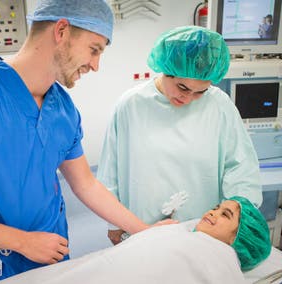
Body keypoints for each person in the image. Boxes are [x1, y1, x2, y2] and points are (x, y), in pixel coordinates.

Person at [0, 0, 175, 282]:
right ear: (61, 30)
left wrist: (144, 230)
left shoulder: (62, 108)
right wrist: (22, 242)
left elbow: (85, 183)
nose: (96, 66)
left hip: (52, 255)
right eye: (94, 50)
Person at [96, 26, 263, 245]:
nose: (188, 98)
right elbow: (110, 170)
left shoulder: (219, 105)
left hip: (202, 231)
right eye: (182, 87)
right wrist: (115, 224)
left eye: (200, 92)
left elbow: (240, 167)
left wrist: (236, 223)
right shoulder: (132, 105)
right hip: (140, 226)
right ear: (165, 69)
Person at [0, 196, 272, 283]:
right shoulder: (182, 233)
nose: (212, 212)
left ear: (240, 237)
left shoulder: (220, 260)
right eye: (216, 207)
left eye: (225, 215)